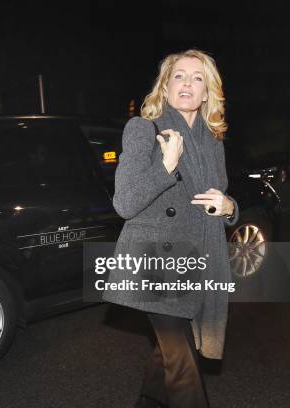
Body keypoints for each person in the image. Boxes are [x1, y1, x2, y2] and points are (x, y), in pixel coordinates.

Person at [101, 49, 239, 408]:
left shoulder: (213, 141)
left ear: (208, 92)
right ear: (165, 85)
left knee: (170, 355)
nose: (187, 84)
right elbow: (125, 203)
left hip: (196, 261)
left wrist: (229, 208)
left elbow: (219, 196)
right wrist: (166, 165)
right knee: (182, 364)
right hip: (154, 263)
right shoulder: (143, 129)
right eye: (179, 75)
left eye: (197, 78)